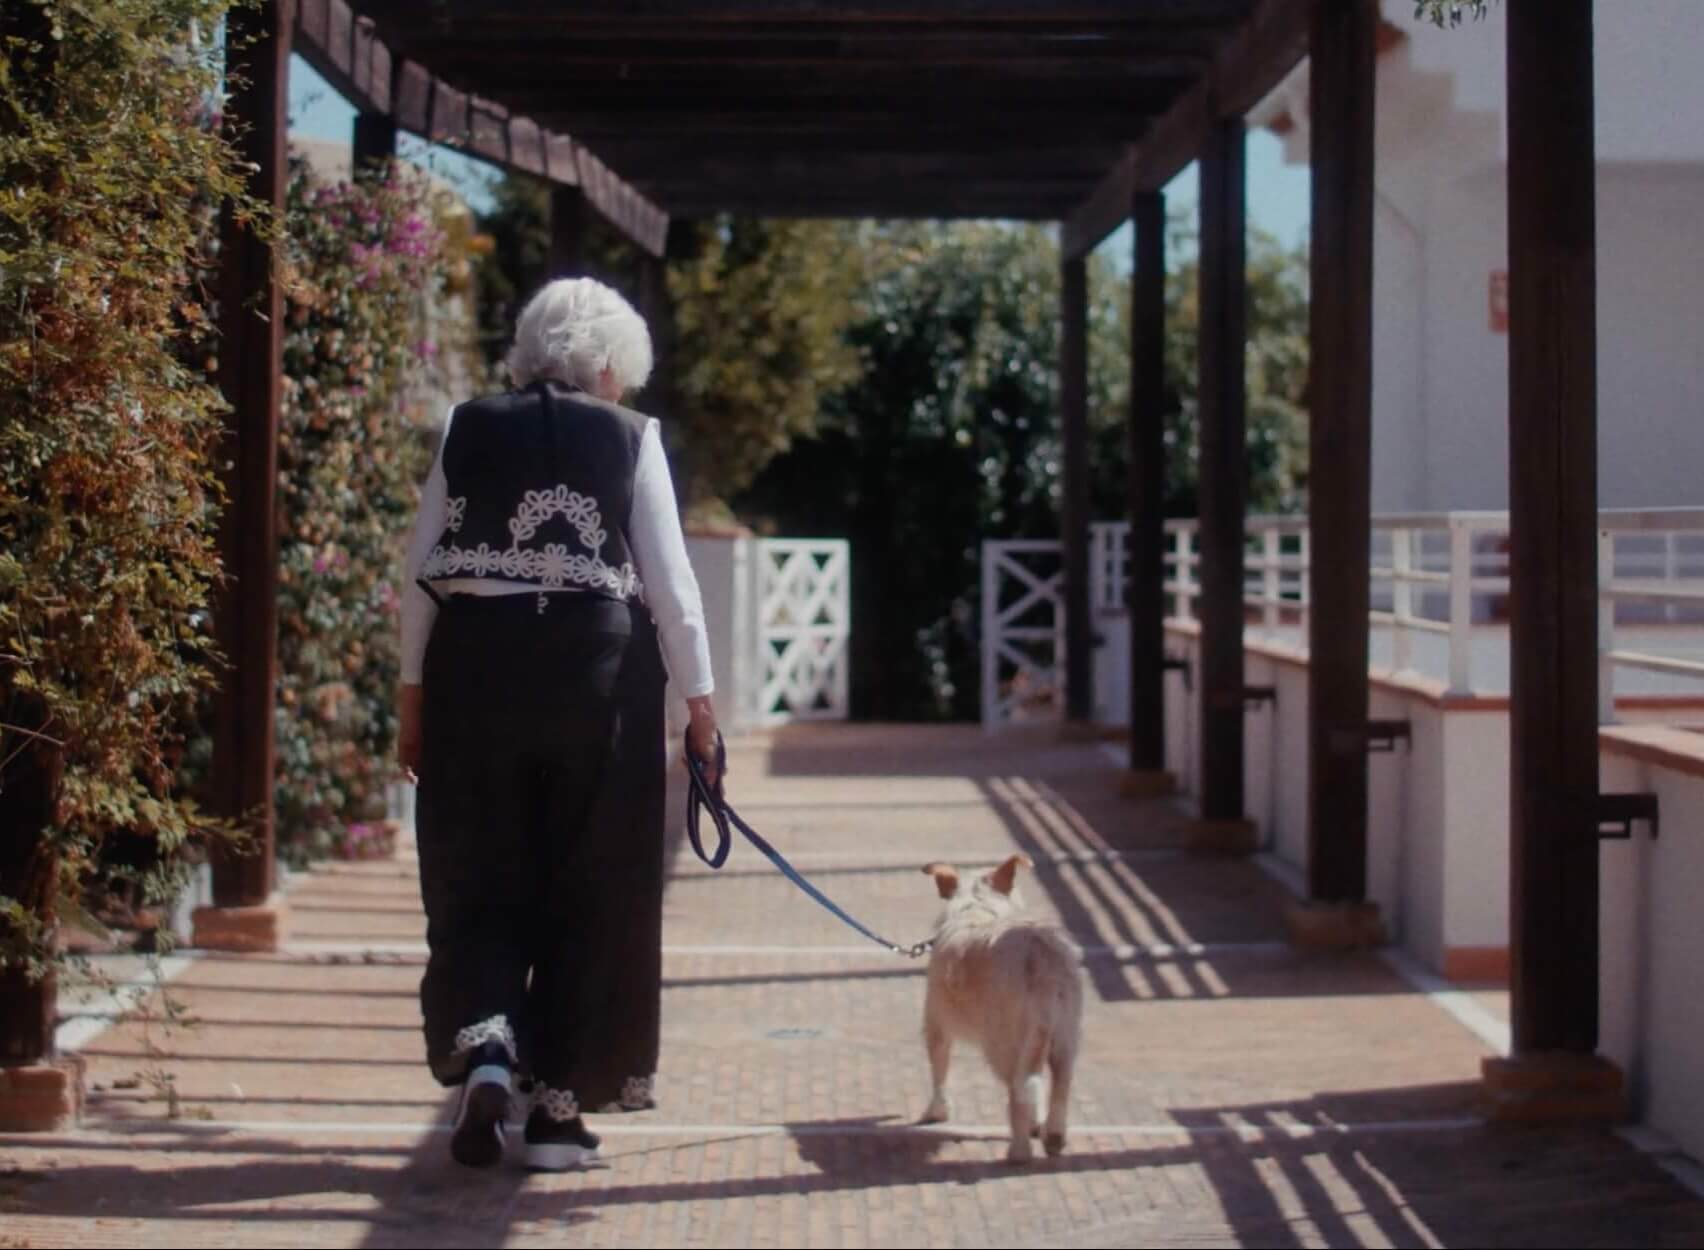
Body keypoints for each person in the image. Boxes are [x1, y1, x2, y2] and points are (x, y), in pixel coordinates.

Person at [396, 276, 720, 1172]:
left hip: (472, 676)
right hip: (596, 681)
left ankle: (490, 1051)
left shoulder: (469, 424)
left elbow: (418, 572)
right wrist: (700, 709)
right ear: (610, 364)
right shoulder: (630, 436)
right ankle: (557, 1118)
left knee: (479, 870)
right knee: (594, 885)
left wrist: (412, 699)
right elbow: (671, 587)